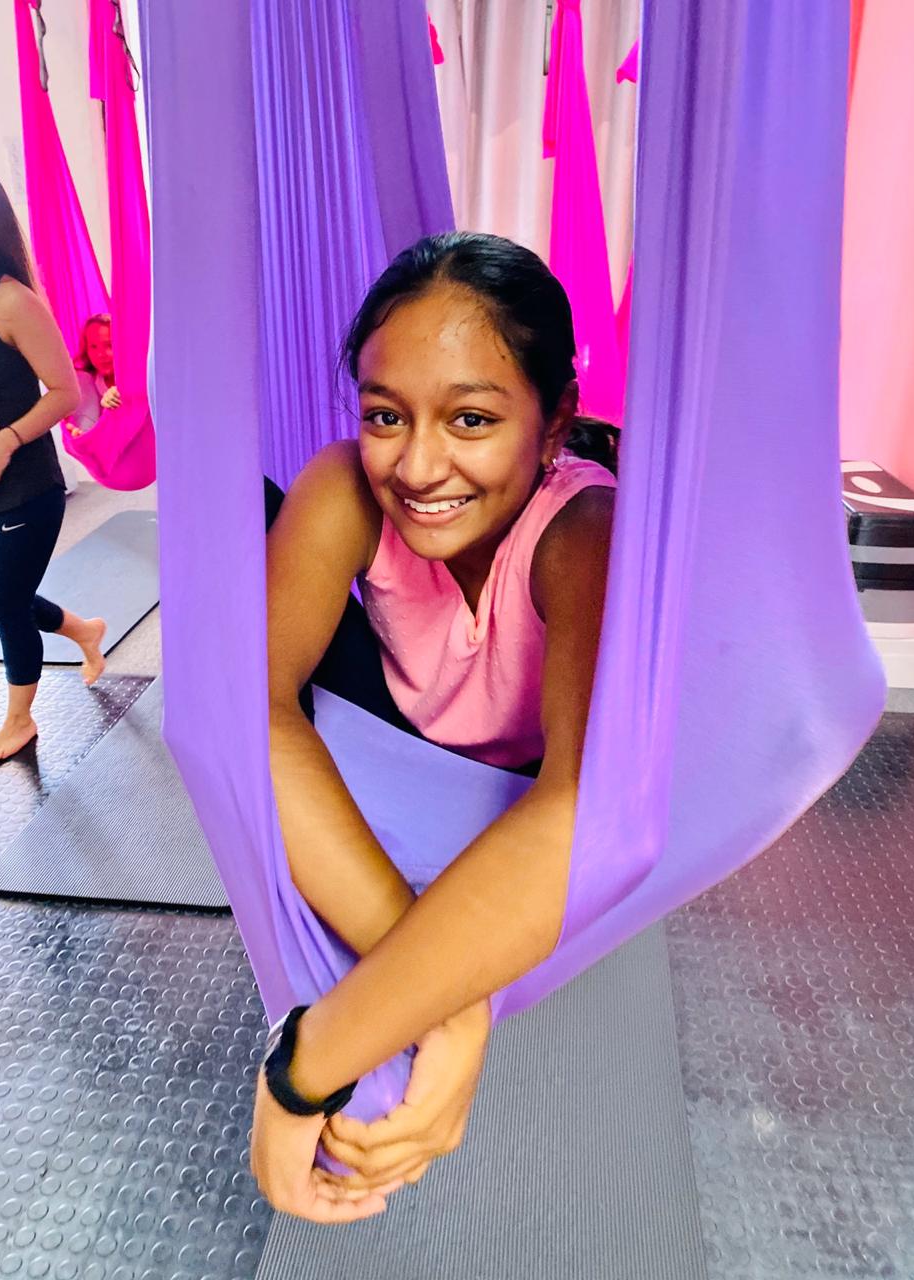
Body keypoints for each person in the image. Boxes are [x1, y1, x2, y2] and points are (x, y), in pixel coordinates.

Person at [253, 232, 617, 1222]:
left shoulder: (582, 534)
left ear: (552, 427)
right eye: (385, 414)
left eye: (470, 417)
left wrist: (303, 1071)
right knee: (239, 534)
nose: (417, 463)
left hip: (507, 789)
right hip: (381, 734)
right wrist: (447, 1002)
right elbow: (249, 714)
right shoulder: (350, 486)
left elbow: (579, 810)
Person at [0, 160, 107, 763]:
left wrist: (6, 440)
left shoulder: (9, 299)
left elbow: (68, 392)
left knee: (6, 597)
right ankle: (84, 631)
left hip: (26, 486)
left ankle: (20, 718)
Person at [68, 312, 119, 436]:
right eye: (93, 347)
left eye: (109, 345)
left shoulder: (135, 379)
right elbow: (85, 428)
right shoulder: (86, 382)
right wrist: (80, 434)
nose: (101, 354)